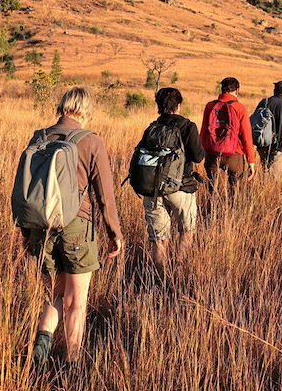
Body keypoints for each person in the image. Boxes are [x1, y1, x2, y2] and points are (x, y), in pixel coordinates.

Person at [23, 87, 123, 370]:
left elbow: (26, 190)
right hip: (77, 227)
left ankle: (42, 342)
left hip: (41, 227)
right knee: (77, 301)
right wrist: (115, 234)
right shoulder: (91, 141)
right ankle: (72, 364)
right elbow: (105, 196)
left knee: (54, 295)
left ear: (62, 107)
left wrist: (27, 234)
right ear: (86, 111)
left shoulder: (39, 138)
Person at [141, 88, 205, 275]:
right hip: (180, 188)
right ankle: (178, 271)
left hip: (152, 189)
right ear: (178, 105)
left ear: (159, 106)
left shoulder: (152, 127)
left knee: (159, 238)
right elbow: (198, 156)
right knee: (187, 230)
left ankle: (159, 277)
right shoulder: (188, 126)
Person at [200, 77, 256, 195]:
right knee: (235, 191)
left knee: (211, 190)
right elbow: (246, 136)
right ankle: (231, 206)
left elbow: (204, 130)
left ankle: (212, 206)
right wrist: (251, 161)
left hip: (213, 153)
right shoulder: (240, 108)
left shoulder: (210, 106)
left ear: (222, 89)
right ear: (237, 90)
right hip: (234, 154)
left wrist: (203, 152)